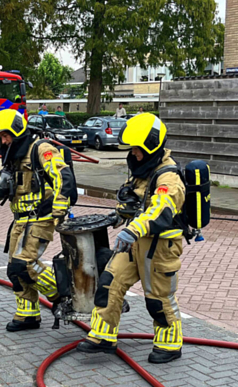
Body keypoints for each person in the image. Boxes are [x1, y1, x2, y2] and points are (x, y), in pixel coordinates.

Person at [77, 113, 185, 363]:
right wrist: (117, 215)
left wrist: (132, 229)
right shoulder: (142, 171)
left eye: (136, 148)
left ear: (150, 145)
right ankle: (103, 336)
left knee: (158, 298)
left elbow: (160, 209)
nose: (133, 153)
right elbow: (133, 201)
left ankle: (169, 344)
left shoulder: (168, 177)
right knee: (108, 282)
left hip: (159, 246)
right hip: (134, 242)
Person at [0, 109, 72, 331]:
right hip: (19, 221)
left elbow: (62, 176)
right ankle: (28, 315)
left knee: (24, 264)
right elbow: (1, 187)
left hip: (40, 219)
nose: (3, 140)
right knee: (14, 270)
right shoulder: (13, 156)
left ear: (17, 131)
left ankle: (63, 294)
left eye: (5, 135)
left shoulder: (41, 150)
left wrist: (60, 206)